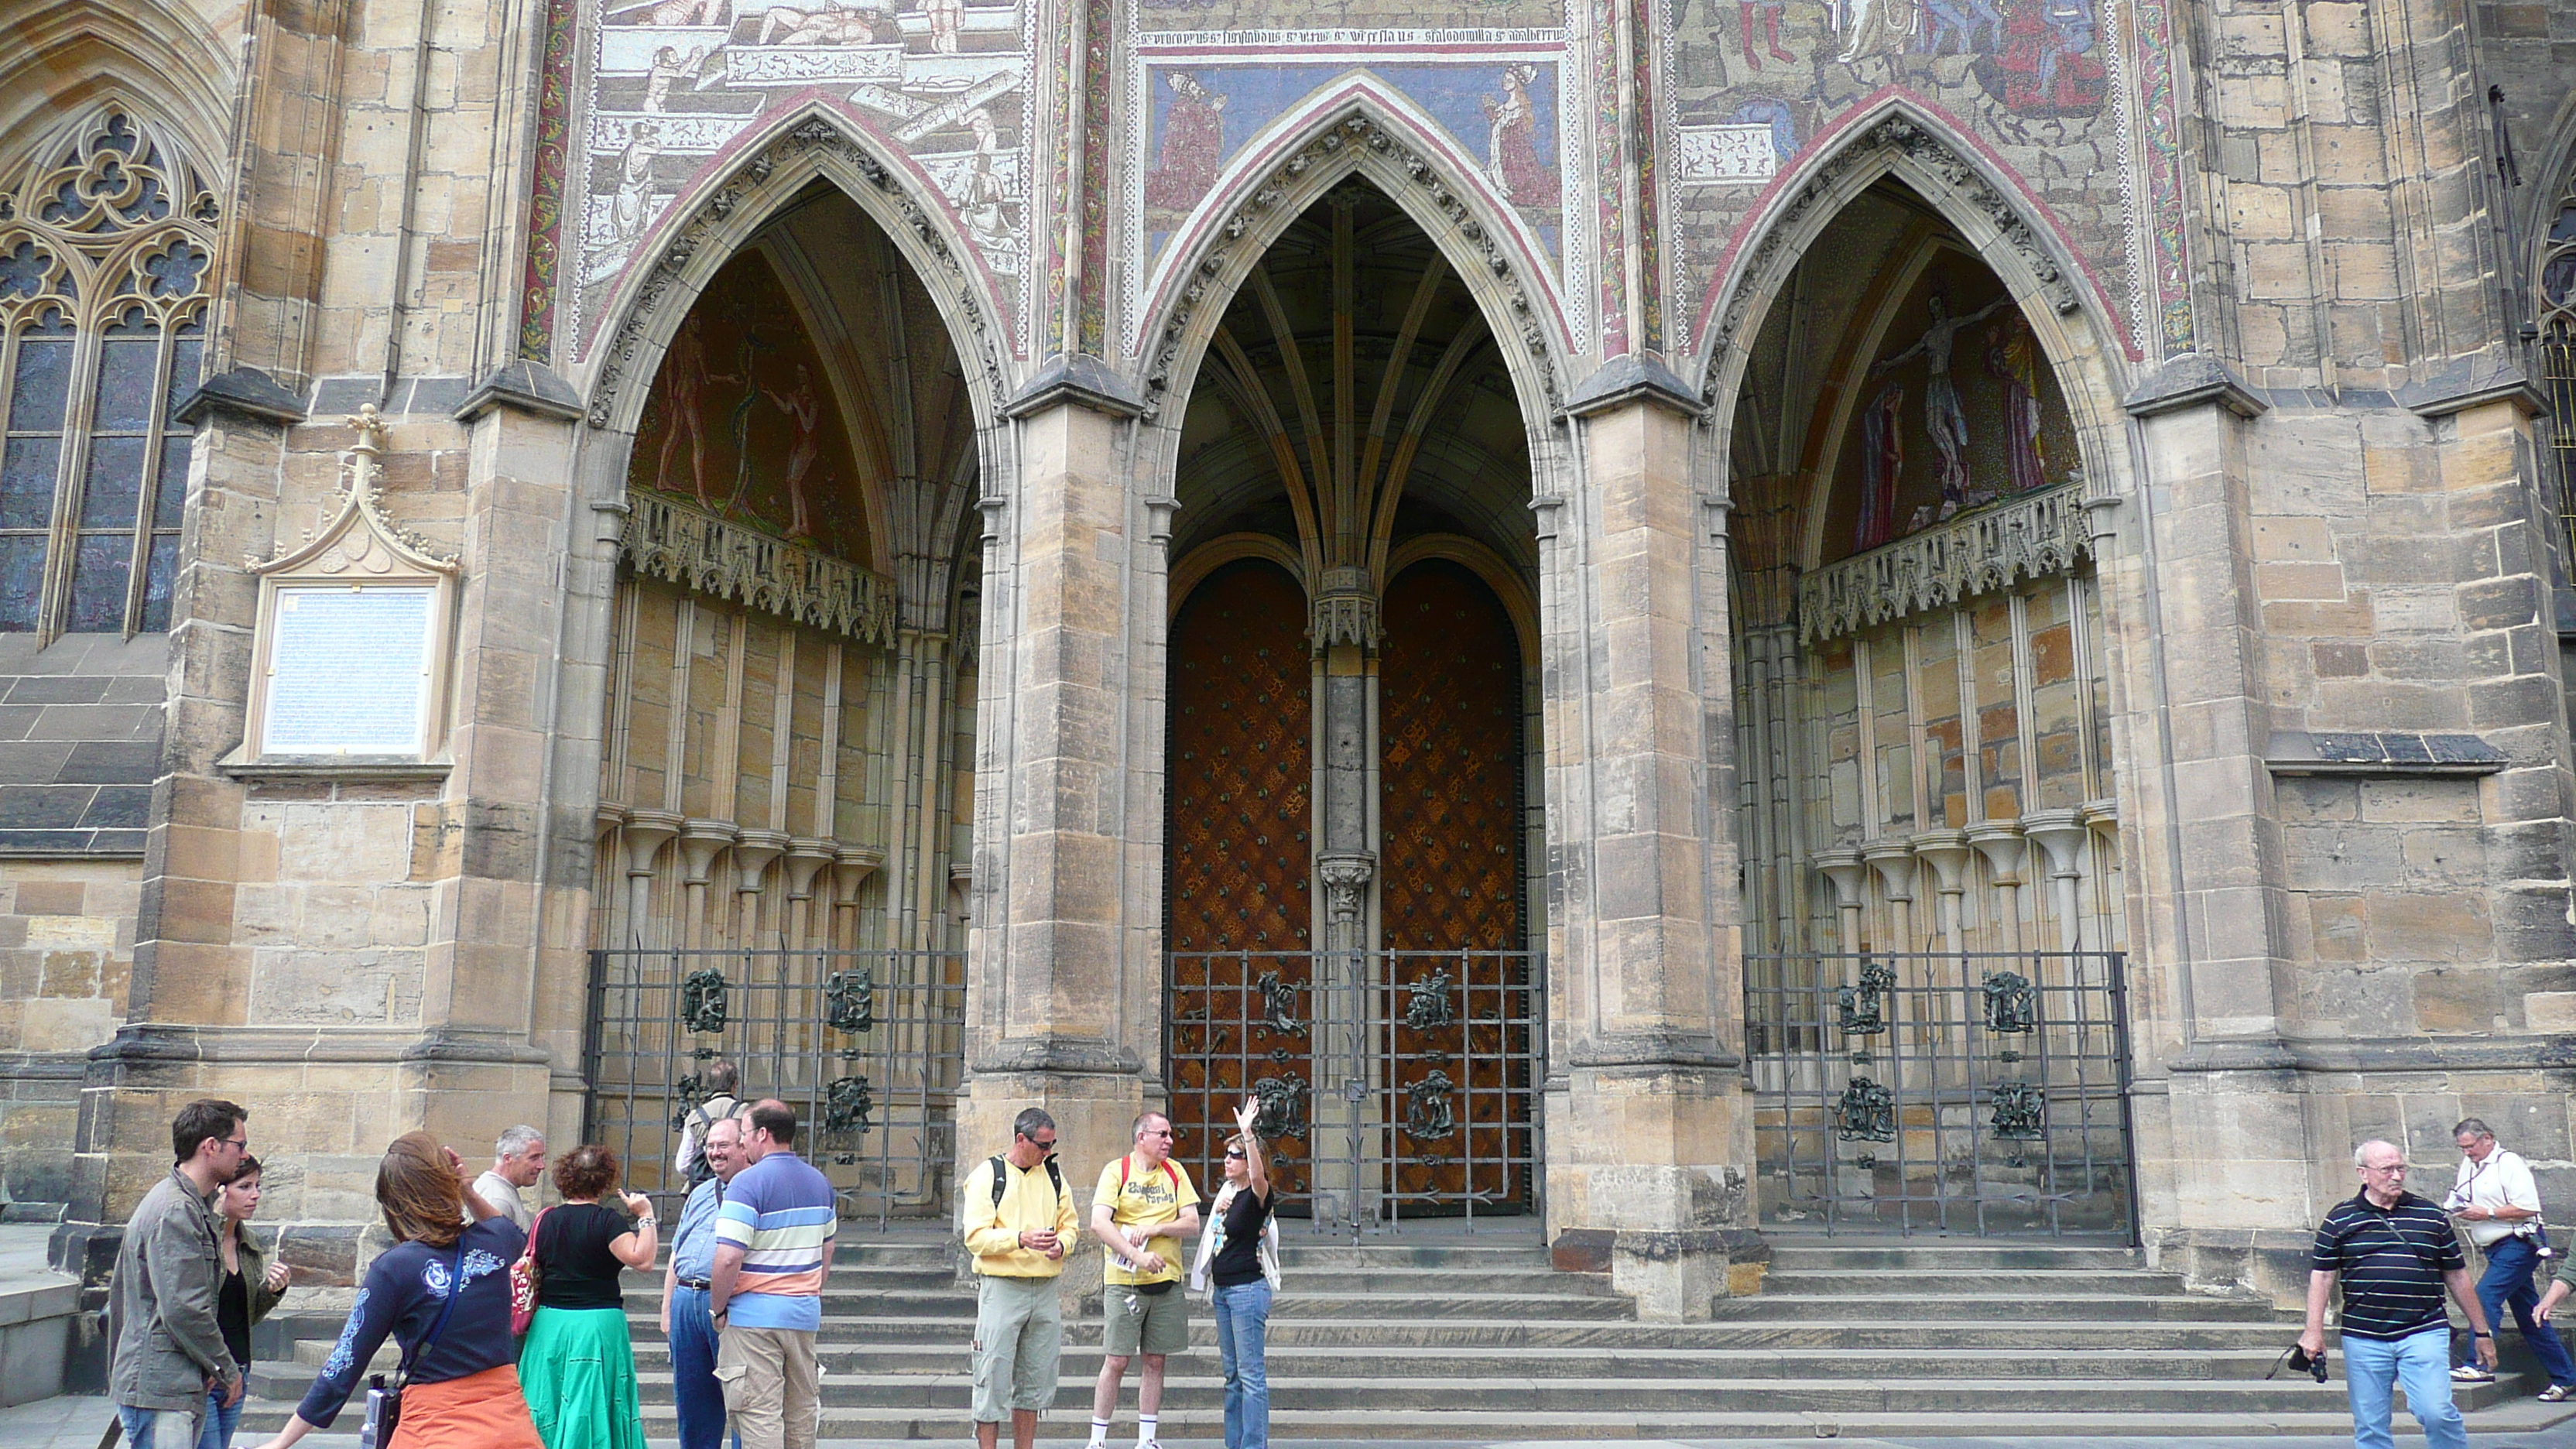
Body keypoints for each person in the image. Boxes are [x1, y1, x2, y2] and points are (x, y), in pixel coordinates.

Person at [250, 1132, 543, 1449]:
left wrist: (281, 1442)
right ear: (447, 1184)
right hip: (508, 1425)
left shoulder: (394, 1268)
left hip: (436, 1427)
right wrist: (466, 1189)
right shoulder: (492, 1243)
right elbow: (513, 1235)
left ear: (394, 1202)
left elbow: (344, 1364)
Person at [2301, 1140, 2496, 1449]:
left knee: (2436, 1413)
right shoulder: (2340, 1219)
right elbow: (2322, 1276)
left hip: (2423, 1329)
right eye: (2387, 1169)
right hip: (2363, 1335)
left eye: (2400, 1168)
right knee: (2370, 1426)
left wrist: (2482, 1331)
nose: (2396, 1176)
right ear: (2363, 1173)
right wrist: (2313, 1332)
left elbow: (2457, 1276)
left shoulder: (2430, 1215)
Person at [111, 1099, 251, 1449]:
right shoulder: (175, 1209)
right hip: (161, 1389)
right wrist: (226, 1370)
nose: (245, 1156)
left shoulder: (190, 1205)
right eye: (240, 1145)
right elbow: (184, 1309)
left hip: (172, 1384)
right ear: (211, 1147)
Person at [711, 1099, 838, 1449]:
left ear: (763, 1134)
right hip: (802, 1313)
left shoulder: (746, 1184)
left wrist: (717, 1308)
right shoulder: (820, 1183)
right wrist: (809, 1291)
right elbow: (827, 1249)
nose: (742, 1144)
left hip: (753, 1319)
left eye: (745, 1135)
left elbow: (727, 1257)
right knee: (800, 1415)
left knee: (758, 1416)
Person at [519, 1145, 656, 1449]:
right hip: (597, 1323)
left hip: (550, 1325)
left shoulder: (546, 1219)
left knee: (547, 1399)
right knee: (595, 1404)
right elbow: (643, 1260)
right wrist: (645, 1215)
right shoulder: (607, 1222)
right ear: (604, 1180)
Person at [961, 1108, 1078, 1449]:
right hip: (1002, 1287)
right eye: (1042, 1145)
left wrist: (1062, 1244)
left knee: (1034, 1382)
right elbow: (975, 1238)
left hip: (1044, 1289)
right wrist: (1019, 1239)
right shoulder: (989, 1175)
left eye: (1052, 1145)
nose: (1047, 1152)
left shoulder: (1053, 1175)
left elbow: (1070, 1224)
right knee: (992, 1377)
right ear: (1020, 1140)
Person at [1087, 1111, 1201, 1449]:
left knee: (1155, 1360)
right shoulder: (1117, 1171)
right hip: (1126, 1281)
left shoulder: (1175, 1172)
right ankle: (1097, 1439)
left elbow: (1192, 1222)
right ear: (1142, 1137)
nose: (1169, 1141)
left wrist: (1156, 1228)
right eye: (1162, 1134)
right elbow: (1099, 1223)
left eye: (1170, 1134)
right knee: (1117, 1359)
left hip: (1166, 1282)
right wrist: (1137, 1256)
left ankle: (1147, 1439)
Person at [2444, 1118, 2576, 1399]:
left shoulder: (2510, 1163)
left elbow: (2529, 1207)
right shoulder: (2470, 1164)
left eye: (2470, 1146)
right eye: (2462, 1148)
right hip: (2495, 1246)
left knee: (2484, 1296)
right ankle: (2565, 1377)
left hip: (2519, 1242)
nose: (2467, 1152)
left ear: (2487, 1139)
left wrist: (2487, 1214)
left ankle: (2477, 1363)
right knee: (2530, 1316)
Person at [1190, 1100, 1279, 1449]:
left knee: (1251, 1375)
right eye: (1226, 1154)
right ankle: (1234, 1443)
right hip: (1224, 1291)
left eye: (1234, 1155)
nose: (1227, 1160)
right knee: (1232, 1377)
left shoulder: (1258, 1195)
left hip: (1248, 1289)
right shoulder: (1227, 1195)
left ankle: (1253, 1445)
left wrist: (1248, 1134)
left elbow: (1258, 1177)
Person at [664, 1114, 748, 1449]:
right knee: (693, 1403)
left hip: (730, 1304)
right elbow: (676, 1252)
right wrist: (667, 1309)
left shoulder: (756, 1190)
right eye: (710, 1146)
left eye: (723, 1145)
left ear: (744, 1147)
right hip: (687, 1300)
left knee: (743, 1401)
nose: (715, 1153)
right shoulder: (699, 1193)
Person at [200, 1156, 291, 1449]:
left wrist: (273, 1290)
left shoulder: (249, 1244)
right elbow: (191, 1307)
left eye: (258, 1186)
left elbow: (247, 1316)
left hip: (239, 1370)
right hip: (206, 1373)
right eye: (245, 1186)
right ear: (221, 1191)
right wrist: (214, 1221)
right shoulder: (200, 1239)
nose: (256, 1195)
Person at [674, 1061, 741, 1187]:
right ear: (735, 1084)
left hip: (702, 1186)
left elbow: (682, 1165)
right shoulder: (747, 1113)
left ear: (710, 1085)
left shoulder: (695, 1116)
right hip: (739, 1184)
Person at [475, 1126, 546, 1230]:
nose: (541, 1165)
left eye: (541, 1157)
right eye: (534, 1158)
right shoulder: (496, 1199)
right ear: (508, 1159)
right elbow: (490, 1244)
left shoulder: (500, 1188)